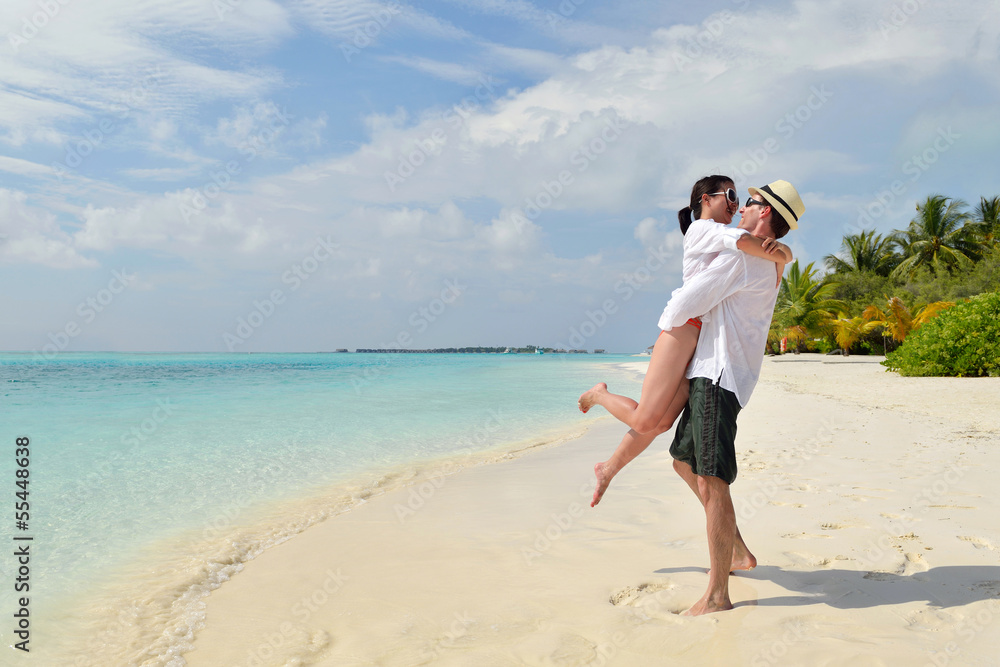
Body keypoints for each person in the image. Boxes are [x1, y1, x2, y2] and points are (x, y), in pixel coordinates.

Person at [590, 179, 805, 617]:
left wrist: (670, 331)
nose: (740, 205)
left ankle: (716, 596)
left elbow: (693, 298)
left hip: (717, 376)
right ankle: (739, 552)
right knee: (685, 462)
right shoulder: (759, 258)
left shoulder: (745, 261)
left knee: (711, 479)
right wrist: (782, 252)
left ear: (764, 212)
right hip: (714, 373)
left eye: (747, 201)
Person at [579, 175, 792, 442]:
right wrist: (783, 254)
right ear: (706, 199)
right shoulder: (702, 228)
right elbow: (745, 243)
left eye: (738, 198)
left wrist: (784, 251)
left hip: (701, 333)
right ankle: (600, 394)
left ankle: (607, 471)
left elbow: (747, 245)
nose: (735, 205)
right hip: (685, 324)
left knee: (664, 421)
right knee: (645, 421)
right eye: (729, 195)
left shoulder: (719, 234)